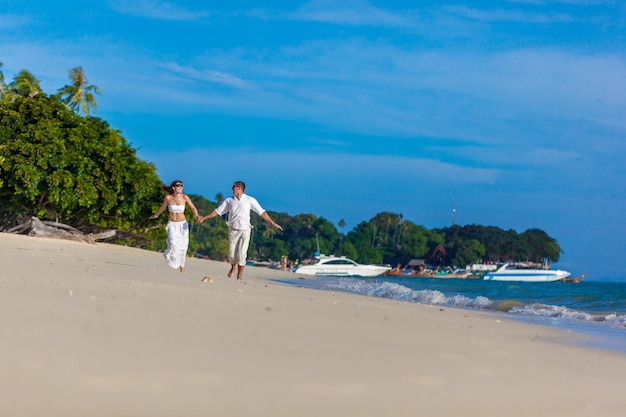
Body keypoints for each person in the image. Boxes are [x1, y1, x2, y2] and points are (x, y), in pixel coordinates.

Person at [198, 180, 283, 280]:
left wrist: (273, 223)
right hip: (233, 229)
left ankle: (240, 274)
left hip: (245, 229)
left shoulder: (249, 200)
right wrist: (204, 217)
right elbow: (217, 211)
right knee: (231, 253)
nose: (232, 189)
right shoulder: (229, 200)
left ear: (239, 188)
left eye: (233, 187)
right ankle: (233, 267)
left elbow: (262, 212)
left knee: (242, 253)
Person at [149, 180, 199, 273]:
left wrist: (197, 217)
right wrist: (156, 215)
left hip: (182, 224)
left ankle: (182, 265)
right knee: (172, 242)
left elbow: (193, 208)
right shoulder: (168, 198)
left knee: (184, 245)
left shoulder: (185, 197)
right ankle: (173, 260)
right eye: (178, 185)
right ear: (173, 188)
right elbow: (162, 208)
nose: (180, 187)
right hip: (172, 224)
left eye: (181, 186)